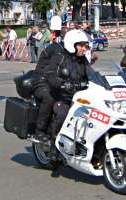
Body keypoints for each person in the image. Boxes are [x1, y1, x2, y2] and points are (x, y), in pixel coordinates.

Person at [32, 30, 90, 159]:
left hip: (72, 92)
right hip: (53, 88)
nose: (84, 49)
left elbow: (91, 73)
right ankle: (51, 143)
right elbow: (51, 75)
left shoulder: (82, 59)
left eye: (86, 46)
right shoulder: (60, 56)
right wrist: (63, 84)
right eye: (82, 45)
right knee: (60, 110)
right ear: (72, 44)